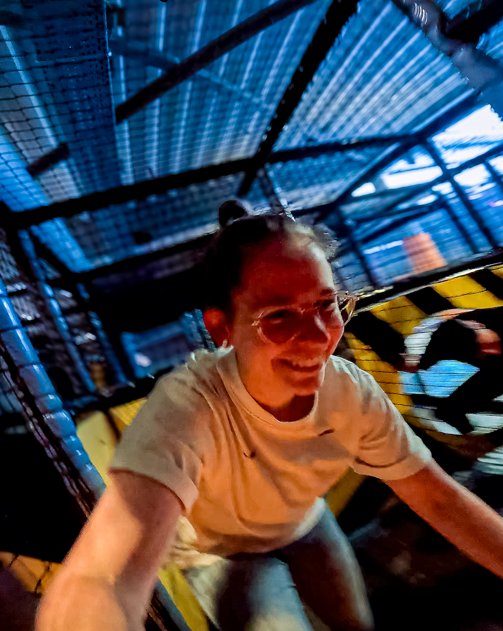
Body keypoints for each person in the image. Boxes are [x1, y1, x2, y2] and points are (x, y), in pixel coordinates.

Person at [37, 202, 503, 631]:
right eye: (279, 316)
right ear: (221, 328)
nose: (317, 336)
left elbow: (438, 498)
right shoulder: (188, 407)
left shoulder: (349, 389)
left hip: (304, 521)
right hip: (221, 552)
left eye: (326, 304)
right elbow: (105, 574)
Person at [404, 307, 503, 433]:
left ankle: (454, 409)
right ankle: (452, 411)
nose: (494, 351)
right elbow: (423, 362)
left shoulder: (491, 318)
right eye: (485, 350)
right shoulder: (444, 343)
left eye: (491, 345)